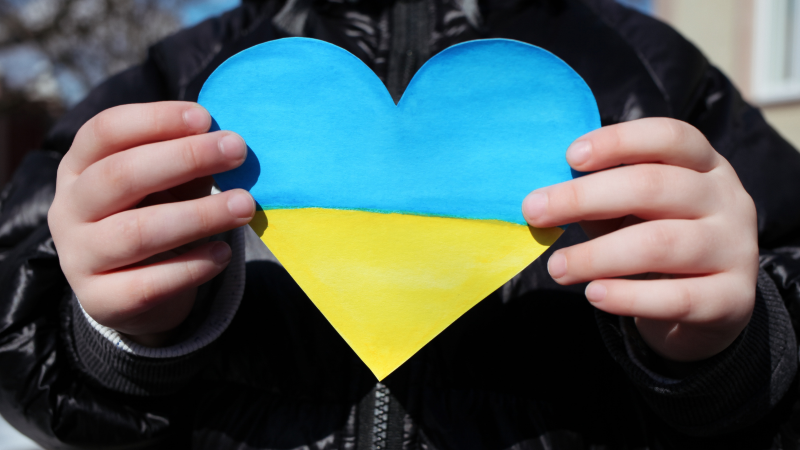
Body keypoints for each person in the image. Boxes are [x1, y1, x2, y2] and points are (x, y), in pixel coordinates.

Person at [1, 0, 800, 448]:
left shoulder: (658, 79)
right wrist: (118, 336)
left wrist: (728, 351)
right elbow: (18, 320)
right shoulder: (180, 84)